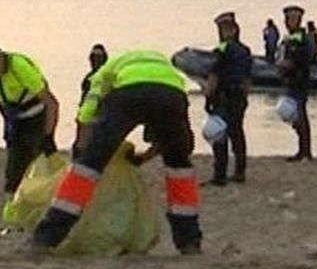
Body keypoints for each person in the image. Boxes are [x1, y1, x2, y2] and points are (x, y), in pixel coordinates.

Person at [28, 48, 202, 255]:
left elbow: (88, 108)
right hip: (171, 97)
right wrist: (144, 157)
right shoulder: (170, 73)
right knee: (179, 168)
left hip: (128, 96)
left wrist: (84, 148)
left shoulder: (106, 71)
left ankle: (45, 239)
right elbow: (170, 135)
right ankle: (189, 241)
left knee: (87, 170)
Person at [0, 43, 60, 196]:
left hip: (36, 118)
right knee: (14, 167)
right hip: (13, 120)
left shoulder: (20, 69)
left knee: (41, 160)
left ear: (0, 61)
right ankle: (14, 194)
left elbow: (52, 104)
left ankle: (49, 194)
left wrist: (48, 136)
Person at [205, 12, 251, 185]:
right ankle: (240, 171)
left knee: (218, 133)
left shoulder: (223, 49)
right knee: (237, 134)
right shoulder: (245, 51)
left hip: (223, 96)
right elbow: (247, 79)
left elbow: (214, 75)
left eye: (222, 29)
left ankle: (220, 173)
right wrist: (245, 98)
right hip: (239, 96)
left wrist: (209, 97)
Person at [278, 4, 316, 161]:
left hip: (299, 80)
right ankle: (302, 150)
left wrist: (290, 64)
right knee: (296, 117)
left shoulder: (302, 39)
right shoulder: (289, 39)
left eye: (291, 18)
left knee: (300, 116)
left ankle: (305, 151)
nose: (288, 22)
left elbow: (306, 59)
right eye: (286, 19)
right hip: (291, 80)